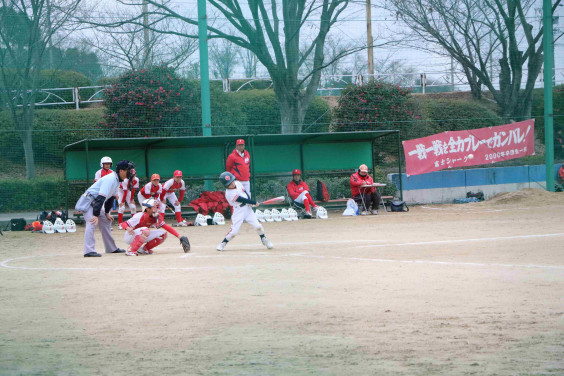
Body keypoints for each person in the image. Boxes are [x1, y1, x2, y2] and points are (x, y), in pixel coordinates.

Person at [75, 160, 135, 257]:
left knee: (106, 221)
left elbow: (111, 197)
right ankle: (88, 251)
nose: (130, 172)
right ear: (121, 171)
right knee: (92, 222)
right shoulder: (110, 179)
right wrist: (95, 215)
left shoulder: (117, 180)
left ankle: (111, 248)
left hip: (94, 203)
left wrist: (106, 213)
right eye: (128, 170)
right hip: (88, 202)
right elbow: (101, 198)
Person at [216, 171, 273, 252]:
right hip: (238, 211)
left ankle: (263, 238)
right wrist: (253, 202)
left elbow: (245, 193)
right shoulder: (229, 194)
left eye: (231, 181)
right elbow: (241, 199)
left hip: (247, 208)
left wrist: (250, 202)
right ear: (225, 185)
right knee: (234, 232)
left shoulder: (237, 183)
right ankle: (223, 243)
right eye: (229, 184)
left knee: (258, 226)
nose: (231, 184)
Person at [120, 198, 190, 256]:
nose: (156, 208)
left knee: (163, 234)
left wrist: (179, 236)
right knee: (146, 230)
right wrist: (128, 228)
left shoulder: (155, 216)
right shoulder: (140, 216)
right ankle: (131, 250)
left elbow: (166, 227)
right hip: (130, 236)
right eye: (154, 207)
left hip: (141, 233)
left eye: (156, 207)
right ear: (147, 208)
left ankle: (144, 249)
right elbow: (123, 224)